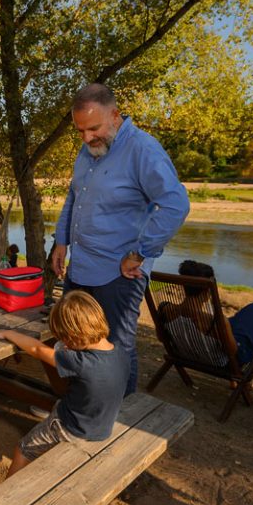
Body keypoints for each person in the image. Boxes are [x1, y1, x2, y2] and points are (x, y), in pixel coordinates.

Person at [51, 83, 189, 394]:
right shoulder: (88, 149)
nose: (87, 138)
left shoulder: (143, 150)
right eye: (80, 131)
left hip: (118, 273)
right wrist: (62, 241)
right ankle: (79, 411)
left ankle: (119, 419)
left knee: (115, 346)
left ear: (115, 115)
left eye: (94, 128)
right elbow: (74, 197)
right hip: (81, 266)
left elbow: (175, 204)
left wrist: (141, 253)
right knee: (74, 338)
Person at [0, 290, 129, 478]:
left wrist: (9, 333)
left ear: (75, 335)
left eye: (65, 339)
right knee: (61, 402)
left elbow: (37, 349)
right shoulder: (121, 353)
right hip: (102, 426)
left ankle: (4, 494)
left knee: (23, 449)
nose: (65, 345)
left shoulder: (80, 362)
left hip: (71, 428)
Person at [161, 260, 253, 365]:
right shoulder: (213, 321)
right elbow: (232, 352)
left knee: (234, 322)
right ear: (208, 290)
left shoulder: (165, 309)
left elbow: (161, 337)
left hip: (186, 353)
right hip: (224, 362)